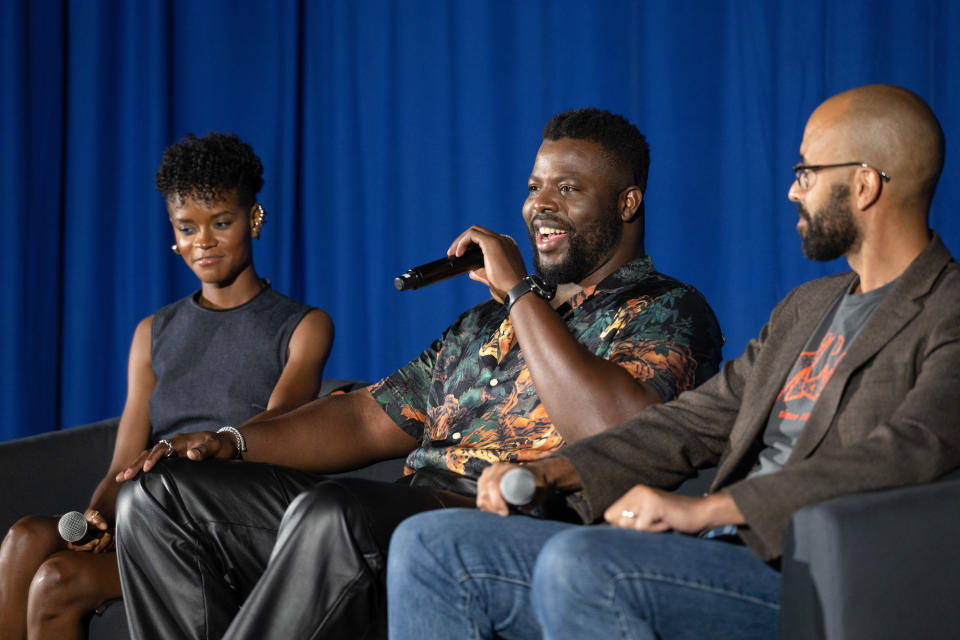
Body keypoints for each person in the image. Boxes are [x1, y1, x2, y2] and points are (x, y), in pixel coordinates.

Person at [112, 108, 724, 639]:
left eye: (567, 189)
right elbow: (361, 415)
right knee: (157, 495)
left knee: (336, 516)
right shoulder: (483, 324)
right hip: (397, 517)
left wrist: (517, 292)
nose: (540, 204)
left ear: (627, 202)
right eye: (536, 186)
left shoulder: (667, 309)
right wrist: (231, 442)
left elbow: (616, 435)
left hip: (514, 532)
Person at [387, 84, 960, 640]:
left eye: (807, 174)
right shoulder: (808, 308)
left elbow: (911, 449)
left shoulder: (946, 308)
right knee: (433, 545)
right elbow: (693, 420)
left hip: (813, 571)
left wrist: (709, 509)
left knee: (583, 563)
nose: (793, 191)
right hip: (716, 553)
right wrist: (553, 471)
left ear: (863, 185)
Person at [0, 132, 334, 640]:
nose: (203, 241)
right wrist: (101, 515)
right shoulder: (152, 332)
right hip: (139, 507)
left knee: (57, 581)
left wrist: (191, 455)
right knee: (25, 536)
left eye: (221, 223)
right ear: (173, 234)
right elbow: (122, 462)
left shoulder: (302, 325)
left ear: (254, 219)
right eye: (187, 227)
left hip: (219, 525)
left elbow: (276, 432)